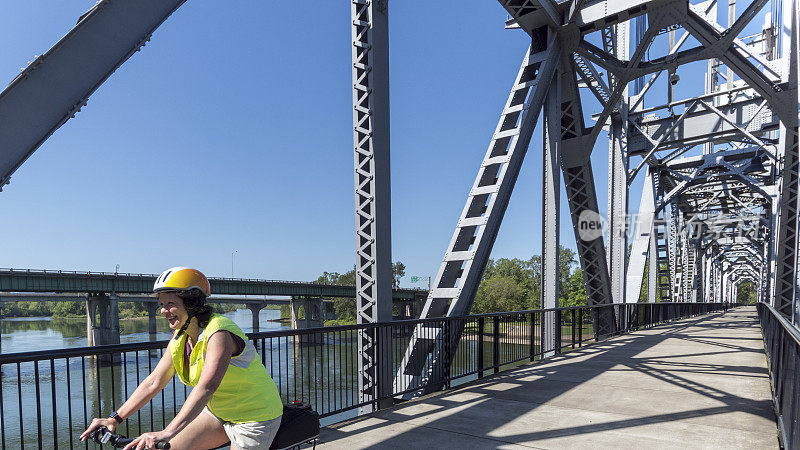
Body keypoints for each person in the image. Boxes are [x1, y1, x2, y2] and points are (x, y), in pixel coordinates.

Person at [80, 267, 283, 450]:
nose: (163, 311)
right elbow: (154, 381)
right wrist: (114, 419)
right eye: (161, 304)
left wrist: (167, 432)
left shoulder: (219, 332)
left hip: (255, 419)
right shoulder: (180, 339)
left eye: (171, 304)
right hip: (219, 414)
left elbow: (207, 387)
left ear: (192, 304)